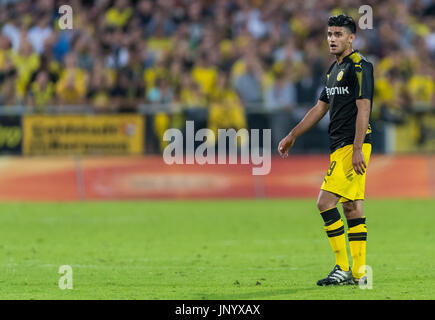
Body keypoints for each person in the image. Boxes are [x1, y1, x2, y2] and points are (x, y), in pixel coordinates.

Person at [278, 14, 374, 286]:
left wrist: (357, 148)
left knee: (324, 202)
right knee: (353, 207)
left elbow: (364, 107)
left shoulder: (361, 66)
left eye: (338, 35)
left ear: (351, 37)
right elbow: (320, 107)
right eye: (330, 34)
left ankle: (342, 268)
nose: (332, 39)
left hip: (351, 146)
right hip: (340, 147)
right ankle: (359, 274)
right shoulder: (333, 71)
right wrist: (292, 134)